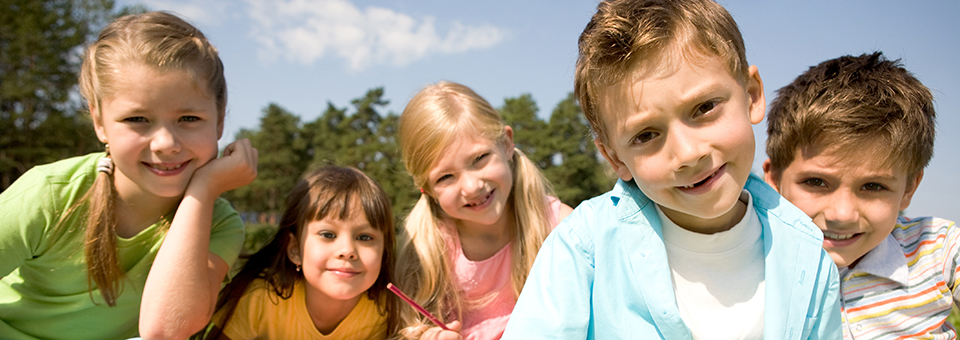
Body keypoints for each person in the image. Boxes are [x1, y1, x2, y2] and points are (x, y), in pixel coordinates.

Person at [502, 0, 843, 339]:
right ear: (614, 159)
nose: (688, 154)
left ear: (752, 95)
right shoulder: (583, 251)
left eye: (704, 107)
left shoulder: (809, 257)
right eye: (646, 135)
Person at [0, 11, 258, 340]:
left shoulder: (218, 223)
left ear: (219, 121)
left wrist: (203, 191)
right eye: (137, 119)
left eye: (189, 118)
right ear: (100, 122)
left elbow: (167, 330)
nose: (166, 144)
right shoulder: (50, 194)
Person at [761, 52, 956, 339]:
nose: (841, 214)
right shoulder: (755, 263)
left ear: (909, 188)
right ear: (774, 180)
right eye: (816, 182)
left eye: (873, 186)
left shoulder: (936, 248)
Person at [393, 81, 574, 340]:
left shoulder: (559, 226)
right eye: (445, 177)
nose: (472, 186)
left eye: (479, 159)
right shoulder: (426, 250)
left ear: (507, 144)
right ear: (426, 188)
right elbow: (409, 327)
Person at [201, 166, 398, 340]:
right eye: (328, 234)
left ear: (384, 250)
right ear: (295, 249)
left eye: (364, 237)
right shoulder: (261, 299)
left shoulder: (384, 311)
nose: (347, 251)